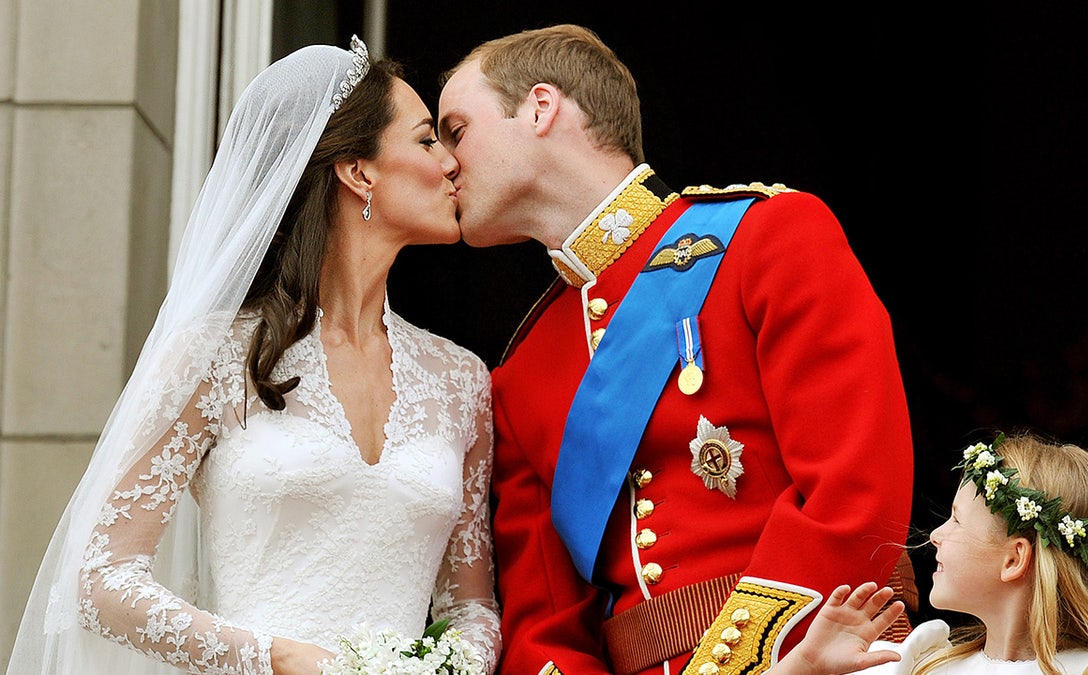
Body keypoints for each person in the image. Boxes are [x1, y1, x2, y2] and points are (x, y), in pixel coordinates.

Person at [6, 36, 500, 675]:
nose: (452, 163)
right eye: (428, 140)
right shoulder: (213, 354)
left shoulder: (462, 381)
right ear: (359, 172)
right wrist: (278, 659)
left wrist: (442, 669)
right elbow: (101, 577)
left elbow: (472, 609)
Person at [436, 23, 916, 675]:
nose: (442, 162)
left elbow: (855, 494)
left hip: (814, 653)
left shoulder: (768, 238)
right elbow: (543, 624)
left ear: (540, 108)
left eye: (455, 130)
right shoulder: (521, 372)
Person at [773, 431, 1088, 674]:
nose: (935, 535)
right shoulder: (917, 664)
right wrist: (805, 665)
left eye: (956, 520)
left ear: (1014, 560)